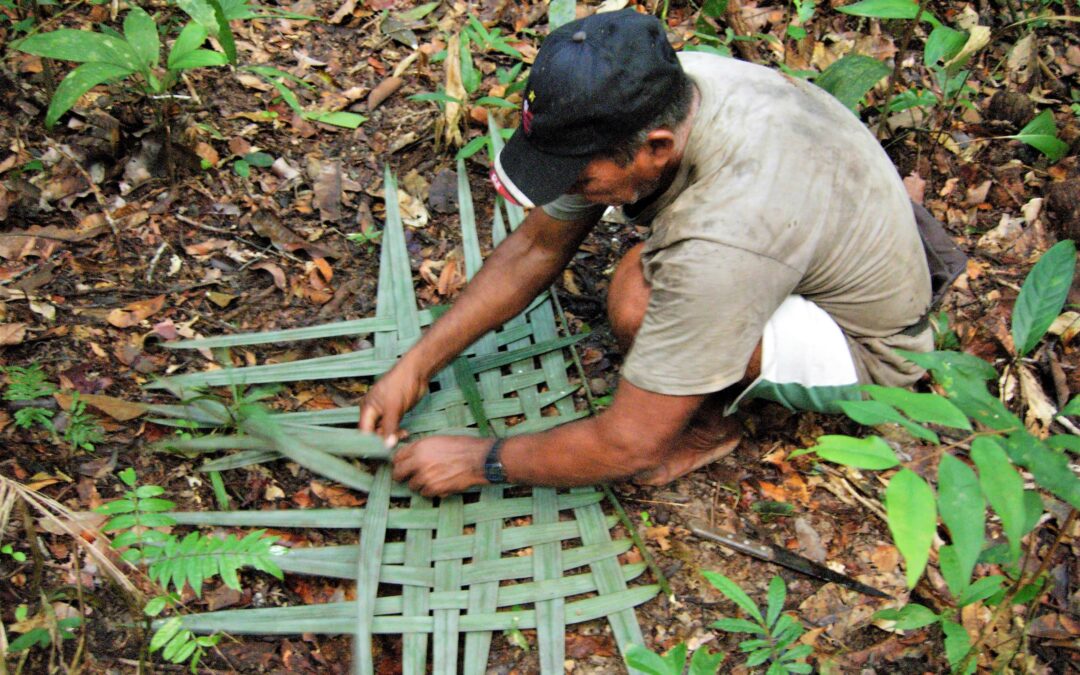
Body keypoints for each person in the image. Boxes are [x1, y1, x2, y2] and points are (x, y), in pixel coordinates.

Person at [359, 9, 935, 497]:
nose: (566, 189)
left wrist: (481, 460)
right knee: (652, 277)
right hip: (813, 231)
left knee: (638, 299)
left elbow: (626, 446)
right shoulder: (669, 89)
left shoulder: (724, 234)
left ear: (656, 148)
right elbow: (537, 245)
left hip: (870, 351)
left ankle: (710, 428)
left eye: (577, 177)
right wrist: (416, 365)